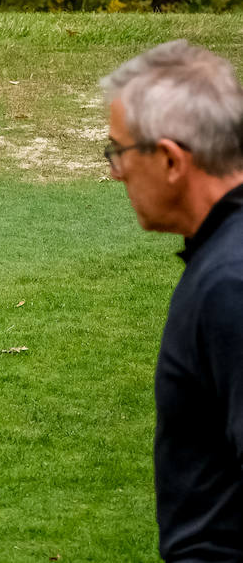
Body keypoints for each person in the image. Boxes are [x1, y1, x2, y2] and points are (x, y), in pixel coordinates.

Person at [102, 40, 243, 562]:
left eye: (119, 152)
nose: (115, 172)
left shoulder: (231, 283)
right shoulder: (221, 254)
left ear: (169, 159)